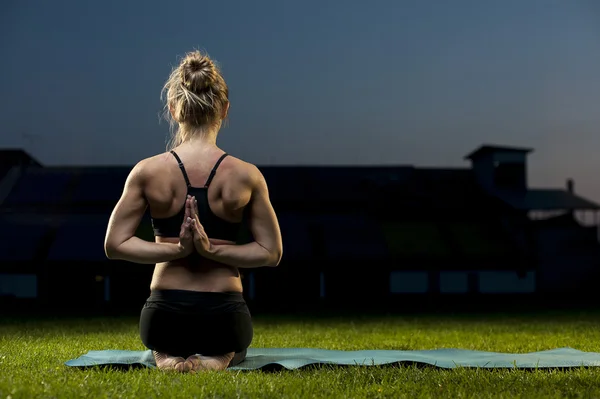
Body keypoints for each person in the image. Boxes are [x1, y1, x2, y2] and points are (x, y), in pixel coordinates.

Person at [104, 50, 283, 373]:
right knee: (230, 344)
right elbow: (271, 253)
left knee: (164, 341)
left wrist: (175, 250)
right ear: (225, 110)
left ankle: (167, 356)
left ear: (173, 109)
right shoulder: (246, 175)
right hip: (224, 318)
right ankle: (218, 357)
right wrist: (212, 250)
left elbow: (114, 245)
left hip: (163, 318)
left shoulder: (147, 171)